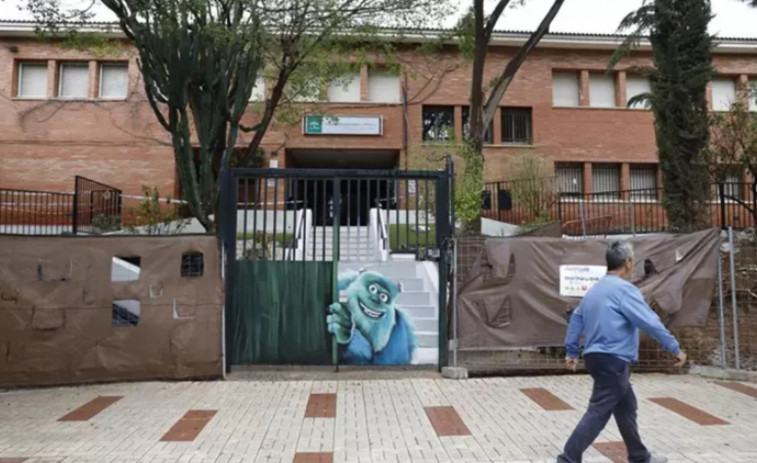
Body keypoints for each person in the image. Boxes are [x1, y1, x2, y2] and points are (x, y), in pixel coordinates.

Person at [557, 241, 687, 463]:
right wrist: (673, 347)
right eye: (632, 260)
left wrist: (571, 351)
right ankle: (568, 458)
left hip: (596, 357)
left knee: (626, 407)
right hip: (614, 359)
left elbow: (577, 318)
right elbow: (649, 321)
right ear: (627, 263)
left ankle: (639, 456)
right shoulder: (625, 290)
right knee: (598, 412)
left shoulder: (594, 290)